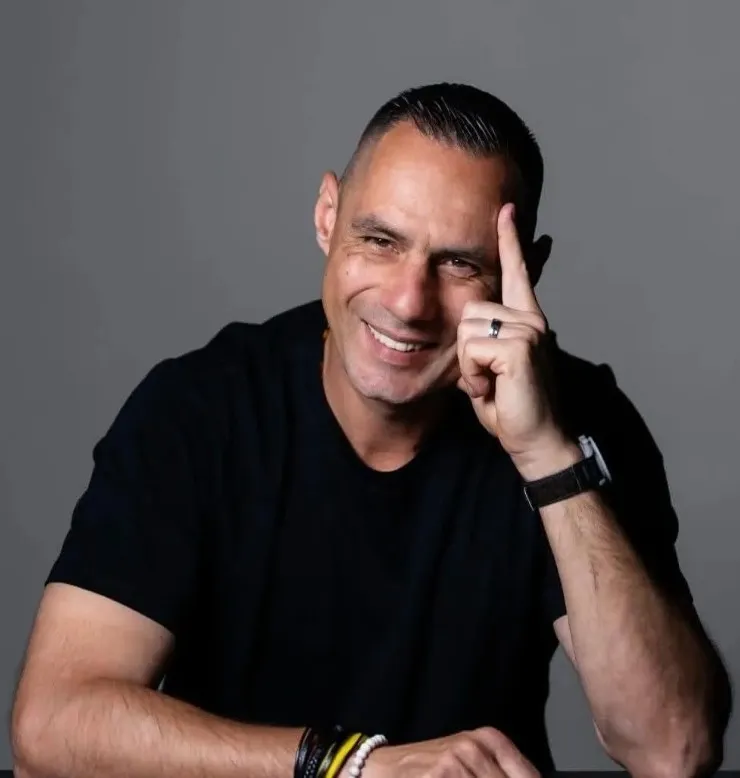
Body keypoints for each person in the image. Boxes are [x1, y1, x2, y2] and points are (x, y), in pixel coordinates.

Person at [11, 82, 731, 778]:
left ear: (527, 273)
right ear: (327, 216)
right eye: (380, 240)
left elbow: (674, 751)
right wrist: (348, 765)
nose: (409, 301)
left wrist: (544, 453)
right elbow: (51, 731)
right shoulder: (199, 410)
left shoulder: (573, 421)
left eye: (459, 263)